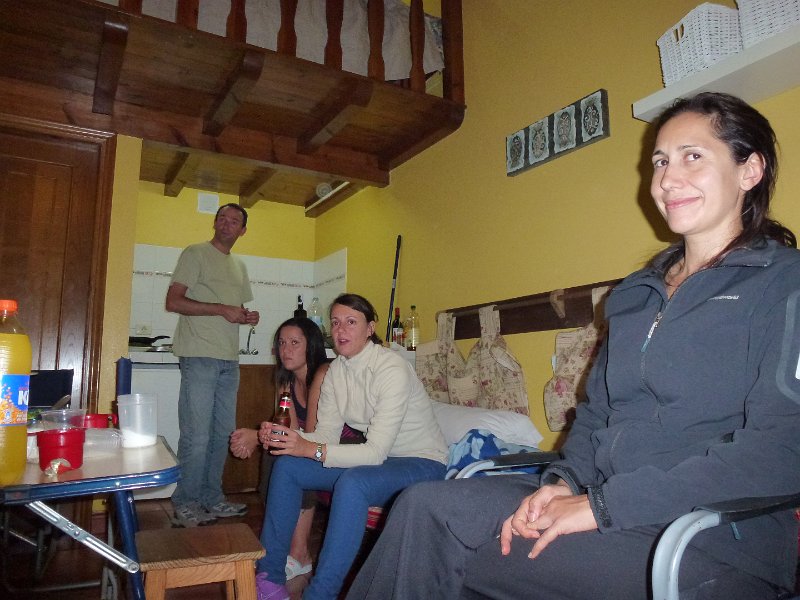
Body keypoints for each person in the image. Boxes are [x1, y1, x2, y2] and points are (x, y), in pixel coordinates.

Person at [347, 92, 800, 600]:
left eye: (692, 156)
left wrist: (603, 506)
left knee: (445, 540)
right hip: (604, 501)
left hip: (709, 535)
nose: (667, 180)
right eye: (660, 161)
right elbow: (596, 415)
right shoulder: (635, 295)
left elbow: (784, 451)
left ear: (749, 170)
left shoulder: (784, 285)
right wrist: (562, 483)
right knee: (423, 505)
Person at [254, 293, 449, 600]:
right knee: (288, 465)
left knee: (354, 483)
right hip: (383, 462)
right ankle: (269, 580)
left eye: (351, 322)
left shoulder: (391, 369)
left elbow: (374, 452)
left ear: (370, 328)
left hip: (422, 462)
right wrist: (290, 439)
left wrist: (310, 449)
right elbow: (327, 436)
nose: (341, 329)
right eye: (335, 322)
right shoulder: (337, 372)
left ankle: (321, 594)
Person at [166, 202, 260, 527]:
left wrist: (246, 316)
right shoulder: (195, 253)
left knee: (222, 435)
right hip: (199, 356)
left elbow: (236, 308)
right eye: (222, 218)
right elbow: (173, 301)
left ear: (242, 230)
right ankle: (185, 502)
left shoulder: (240, 266)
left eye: (234, 221)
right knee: (197, 436)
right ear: (215, 223)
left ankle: (211, 498)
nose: (226, 223)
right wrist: (222, 309)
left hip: (229, 360)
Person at [230, 316, 331, 580]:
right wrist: (264, 436)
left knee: (292, 459)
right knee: (276, 453)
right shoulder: (287, 381)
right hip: (313, 446)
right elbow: (290, 431)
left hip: (337, 450)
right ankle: (282, 549)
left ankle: (299, 554)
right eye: (282, 343)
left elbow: (311, 438)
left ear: (312, 346)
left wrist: (257, 436)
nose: (286, 349)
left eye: (295, 343)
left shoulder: (323, 375)